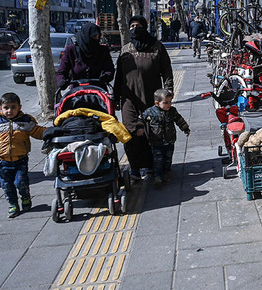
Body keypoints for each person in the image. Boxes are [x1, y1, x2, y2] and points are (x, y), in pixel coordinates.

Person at [114, 15, 175, 181]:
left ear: (145, 26)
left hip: (151, 97)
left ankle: (151, 165)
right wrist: (115, 97)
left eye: (138, 25)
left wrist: (168, 91)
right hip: (129, 98)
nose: (135, 28)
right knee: (130, 131)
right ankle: (134, 167)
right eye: (132, 25)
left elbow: (167, 70)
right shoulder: (125, 49)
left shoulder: (157, 47)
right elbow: (118, 75)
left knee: (152, 132)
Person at [0, 93, 46, 218]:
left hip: (20, 160)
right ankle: (13, 205)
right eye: (6, 108)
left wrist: (49, 133)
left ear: (19, 107)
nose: (9, 111)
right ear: (1, 108)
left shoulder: (25, 121)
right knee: (6, 185)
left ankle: (25, 197)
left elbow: (37, 131)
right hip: (3, 162)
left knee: (21, 182)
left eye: (13, 107)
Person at [139, 88, 190, 187]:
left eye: (170, 102)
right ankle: (157, 176)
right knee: (158, 159)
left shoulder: (172, 111)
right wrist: (140, 128)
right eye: (166, 103)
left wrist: (185, 128)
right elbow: (141, 119)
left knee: (168, 158)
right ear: (157, 103)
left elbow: (179, 120)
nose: (169, 104)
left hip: (170, 140)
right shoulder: (150, 112)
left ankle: (166, 172)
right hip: (156, 142)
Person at [56, 22, 115, 88]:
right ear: (86, 37)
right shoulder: (71, 50)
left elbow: (109, 70)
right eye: (94, 37)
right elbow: (61, 72)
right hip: (77, 92)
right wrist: (62, 81)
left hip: (98, 91)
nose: (96, 39)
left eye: (98, 37)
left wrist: (105, 77)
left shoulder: (103, 50)